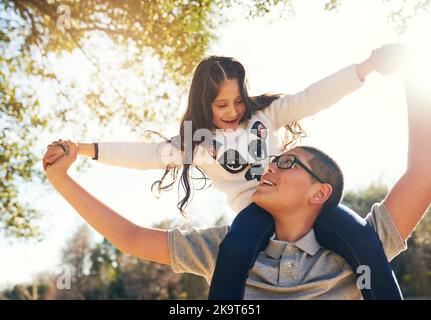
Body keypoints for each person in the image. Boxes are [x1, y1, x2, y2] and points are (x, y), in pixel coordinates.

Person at [43, 45, 405, 299]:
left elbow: (313, 96)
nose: (232, 111)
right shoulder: (197, 143)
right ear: (205, 104)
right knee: (235, 248)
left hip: (301, 204)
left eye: (237, 100)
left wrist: (365, 68)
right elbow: (144, 154)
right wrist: (84, 149)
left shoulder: (267, 116)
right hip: (256, 214)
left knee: (361, 237)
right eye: (221, 104)